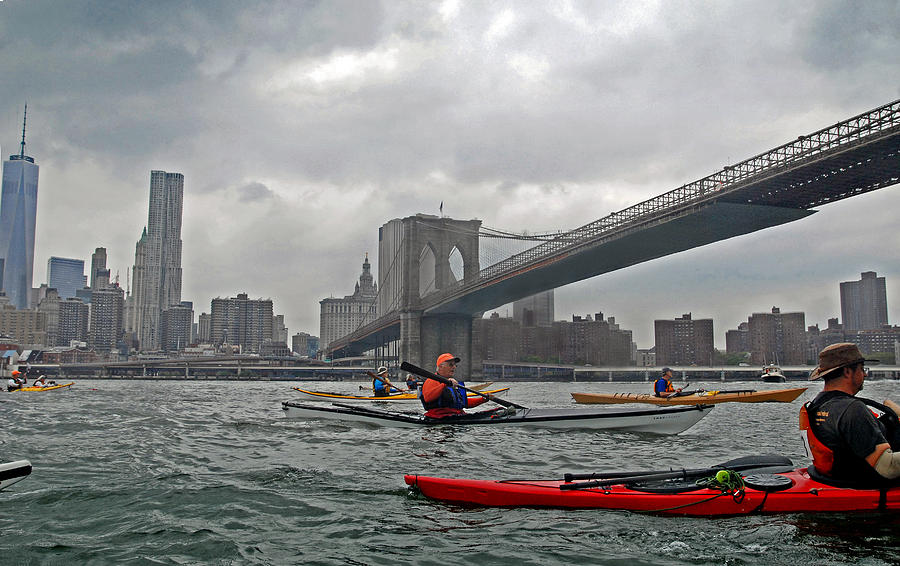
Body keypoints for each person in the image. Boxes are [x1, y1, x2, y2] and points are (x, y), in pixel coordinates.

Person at [800, 342, 900, 486]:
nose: (865, 374)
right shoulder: (853, 409)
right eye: (861, 369)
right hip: (862, 483)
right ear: (847, 372)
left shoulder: (817, 405)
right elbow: (888, 467)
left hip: (834, 476)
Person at [419, 353, 488, 418]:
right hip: (438, 418)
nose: (454, 367)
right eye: (451, 365)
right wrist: (445, 384)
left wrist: (483, 399)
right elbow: (428, 398)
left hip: (456, 416)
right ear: (440, 366)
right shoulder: (431, 380)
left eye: (455, 365)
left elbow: (463, 403)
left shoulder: (453, 382)